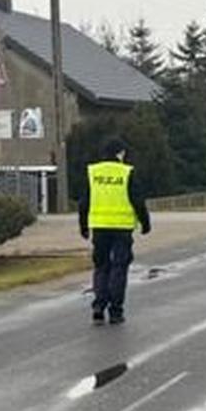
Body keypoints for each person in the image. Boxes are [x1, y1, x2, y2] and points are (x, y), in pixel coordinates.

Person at [79, 139, 151, 325]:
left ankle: (98, 306)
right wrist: (145, 222)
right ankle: (116, 311)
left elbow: (84, 202)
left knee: (101, 266)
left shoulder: (93, 172)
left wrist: (83, 226)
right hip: (122, 228)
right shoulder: (127, 172)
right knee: (119, 268)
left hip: (99, 227)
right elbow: (137, 200)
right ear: (120, 153)